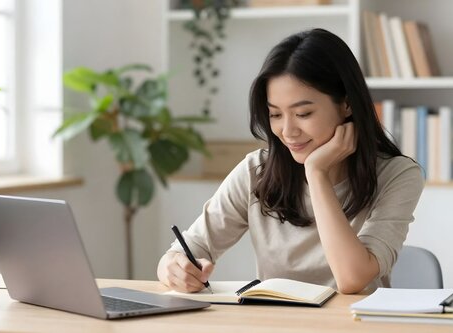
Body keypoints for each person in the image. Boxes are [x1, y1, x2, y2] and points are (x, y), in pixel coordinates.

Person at [157, 28, 424, 294]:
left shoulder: (398, 175)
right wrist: (174, 267)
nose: (287, 131)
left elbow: (352, 279)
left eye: (303, 113)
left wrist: (316, 173)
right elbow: (184, 250)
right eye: (275, 115)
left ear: (346, 104)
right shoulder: (256, 172)